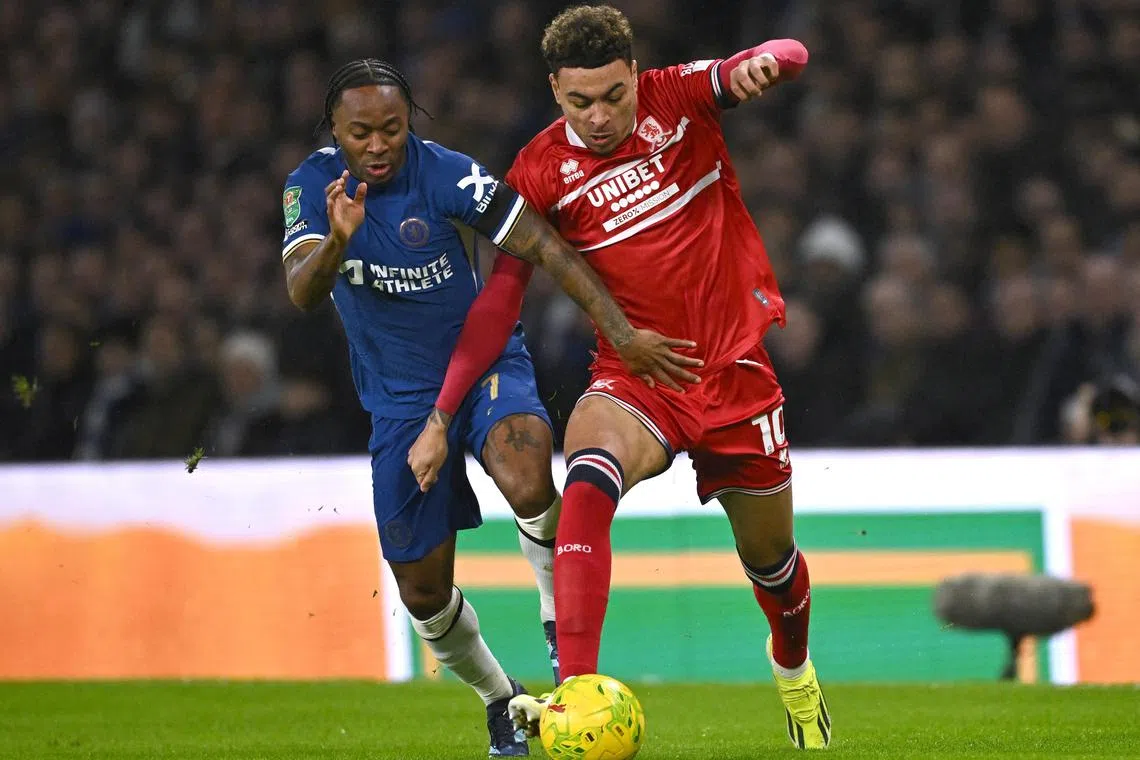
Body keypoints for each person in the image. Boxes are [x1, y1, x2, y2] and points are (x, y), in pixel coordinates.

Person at [407, 6, 830, 750]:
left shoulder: (678, 96)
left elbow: (788, 52)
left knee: (771, 564)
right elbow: (500, 300)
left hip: (733, 370)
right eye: (580, 102)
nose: (599, 117)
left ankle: (793, 668)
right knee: (586, 483)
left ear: (635, 75)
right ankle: (576, 692)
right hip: (636, 379)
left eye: (613, 95)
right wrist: (443, 412)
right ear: (554, 90)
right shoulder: (539, 170)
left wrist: (767, 62)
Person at [280, 59, 702, 757]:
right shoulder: (310, 186)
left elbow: (543, 245)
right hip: (399, 405)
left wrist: (622, 334)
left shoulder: (449, 175)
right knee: (422, 593)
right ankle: (500, 698)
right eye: (361, 134)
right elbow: (301, 291)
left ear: (410, 122)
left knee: (525, 463)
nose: (379, 145)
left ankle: (560, 638)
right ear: (334, 130)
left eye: (392, 128)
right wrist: (337, 240)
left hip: (485, 370)